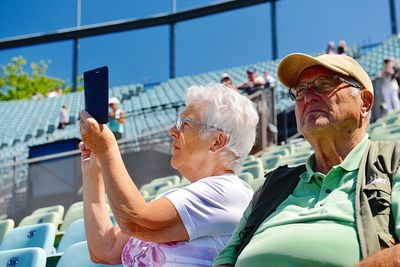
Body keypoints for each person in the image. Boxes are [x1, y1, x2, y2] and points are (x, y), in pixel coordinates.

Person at [214, 53, 400, 267]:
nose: (307, 97)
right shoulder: (273, 185)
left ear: (365, 103)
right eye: (300, 90)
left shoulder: (392, 160)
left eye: (323, 84)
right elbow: (226, 260)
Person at [79, 84, 259, 266]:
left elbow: (137, 221)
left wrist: (107, 149)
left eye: (185, 124)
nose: (172, 131)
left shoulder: (229, 191)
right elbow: (105, 250)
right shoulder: (184, 197)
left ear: (217, 141)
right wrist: (92, 171)